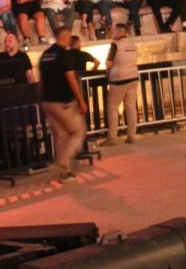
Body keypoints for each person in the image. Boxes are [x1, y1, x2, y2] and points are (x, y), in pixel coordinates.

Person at [37, 25, 88, 182]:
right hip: (62, 101)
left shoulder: (45, 55)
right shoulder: (64, 54)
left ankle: (65, 173)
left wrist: (42, 99)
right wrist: (81, 100)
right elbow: (71, 79)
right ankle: (62, 162)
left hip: (48, 100)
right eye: (70, 37)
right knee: (78, 131)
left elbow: (41, 79)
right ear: (65, 36)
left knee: (61, 135)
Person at [100, 23, 138, 146]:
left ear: (119, 31)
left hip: (119, 79)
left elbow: (109, 62)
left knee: (112, 108)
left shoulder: (115, 45)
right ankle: (131, 136)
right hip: (133, 77)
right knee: (130, 108)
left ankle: (112, 137)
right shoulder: (132, 44)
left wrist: (108, 72)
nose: (113, 33)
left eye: (114, 31)